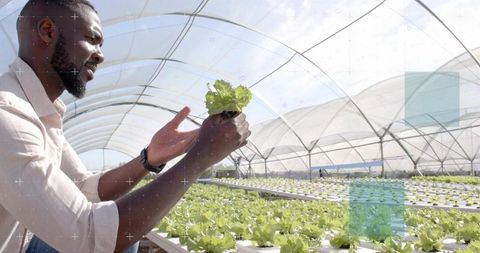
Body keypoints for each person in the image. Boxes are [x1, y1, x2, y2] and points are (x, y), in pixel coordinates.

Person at [0, 0, 250, 252]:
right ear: (47, 31)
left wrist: (148, 159)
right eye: (92, 39)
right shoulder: (8, 117)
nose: (100, 55)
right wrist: (200, 158)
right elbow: (89, 235)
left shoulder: (41, 114)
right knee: (115, 234)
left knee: (123, 233)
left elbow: (86, 188)